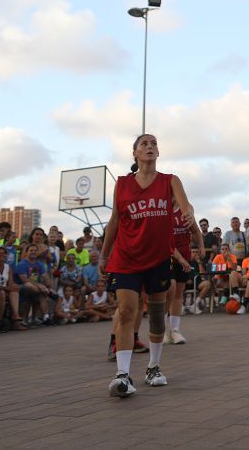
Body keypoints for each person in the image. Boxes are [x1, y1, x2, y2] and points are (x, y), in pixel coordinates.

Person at [100, 134, 196, 398]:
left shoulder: (170, 180)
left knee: (155, 316)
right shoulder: (122, 184)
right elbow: (114, 222)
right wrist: (103, 255)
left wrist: (188, 215)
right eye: (144, 144)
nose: (150, 147)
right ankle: (122, 374)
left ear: (158, 152)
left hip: (158, 258)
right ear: (135, 153)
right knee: (127, 311)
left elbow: (184, 204)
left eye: (153, 143)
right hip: (126, 258)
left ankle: (153, 368)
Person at [168, 206, 204, 343]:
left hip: (184, 254)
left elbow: (195, 230)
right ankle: (162, 329)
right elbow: (166, 241)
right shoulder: (164, 207)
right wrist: (181, 259)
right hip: (169, 256)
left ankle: (174, 330)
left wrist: (200, 246)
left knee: (179, 291)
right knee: (169, 290)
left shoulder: (187, 208)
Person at [0, 246, 25, 330]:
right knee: (3, 293)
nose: (2, 255)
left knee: (15, 291)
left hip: (5, 290)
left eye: (4, 253)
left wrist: (7, 288)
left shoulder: (8, 267)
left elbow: (11, 284)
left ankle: (16, 317)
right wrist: (4, 288)